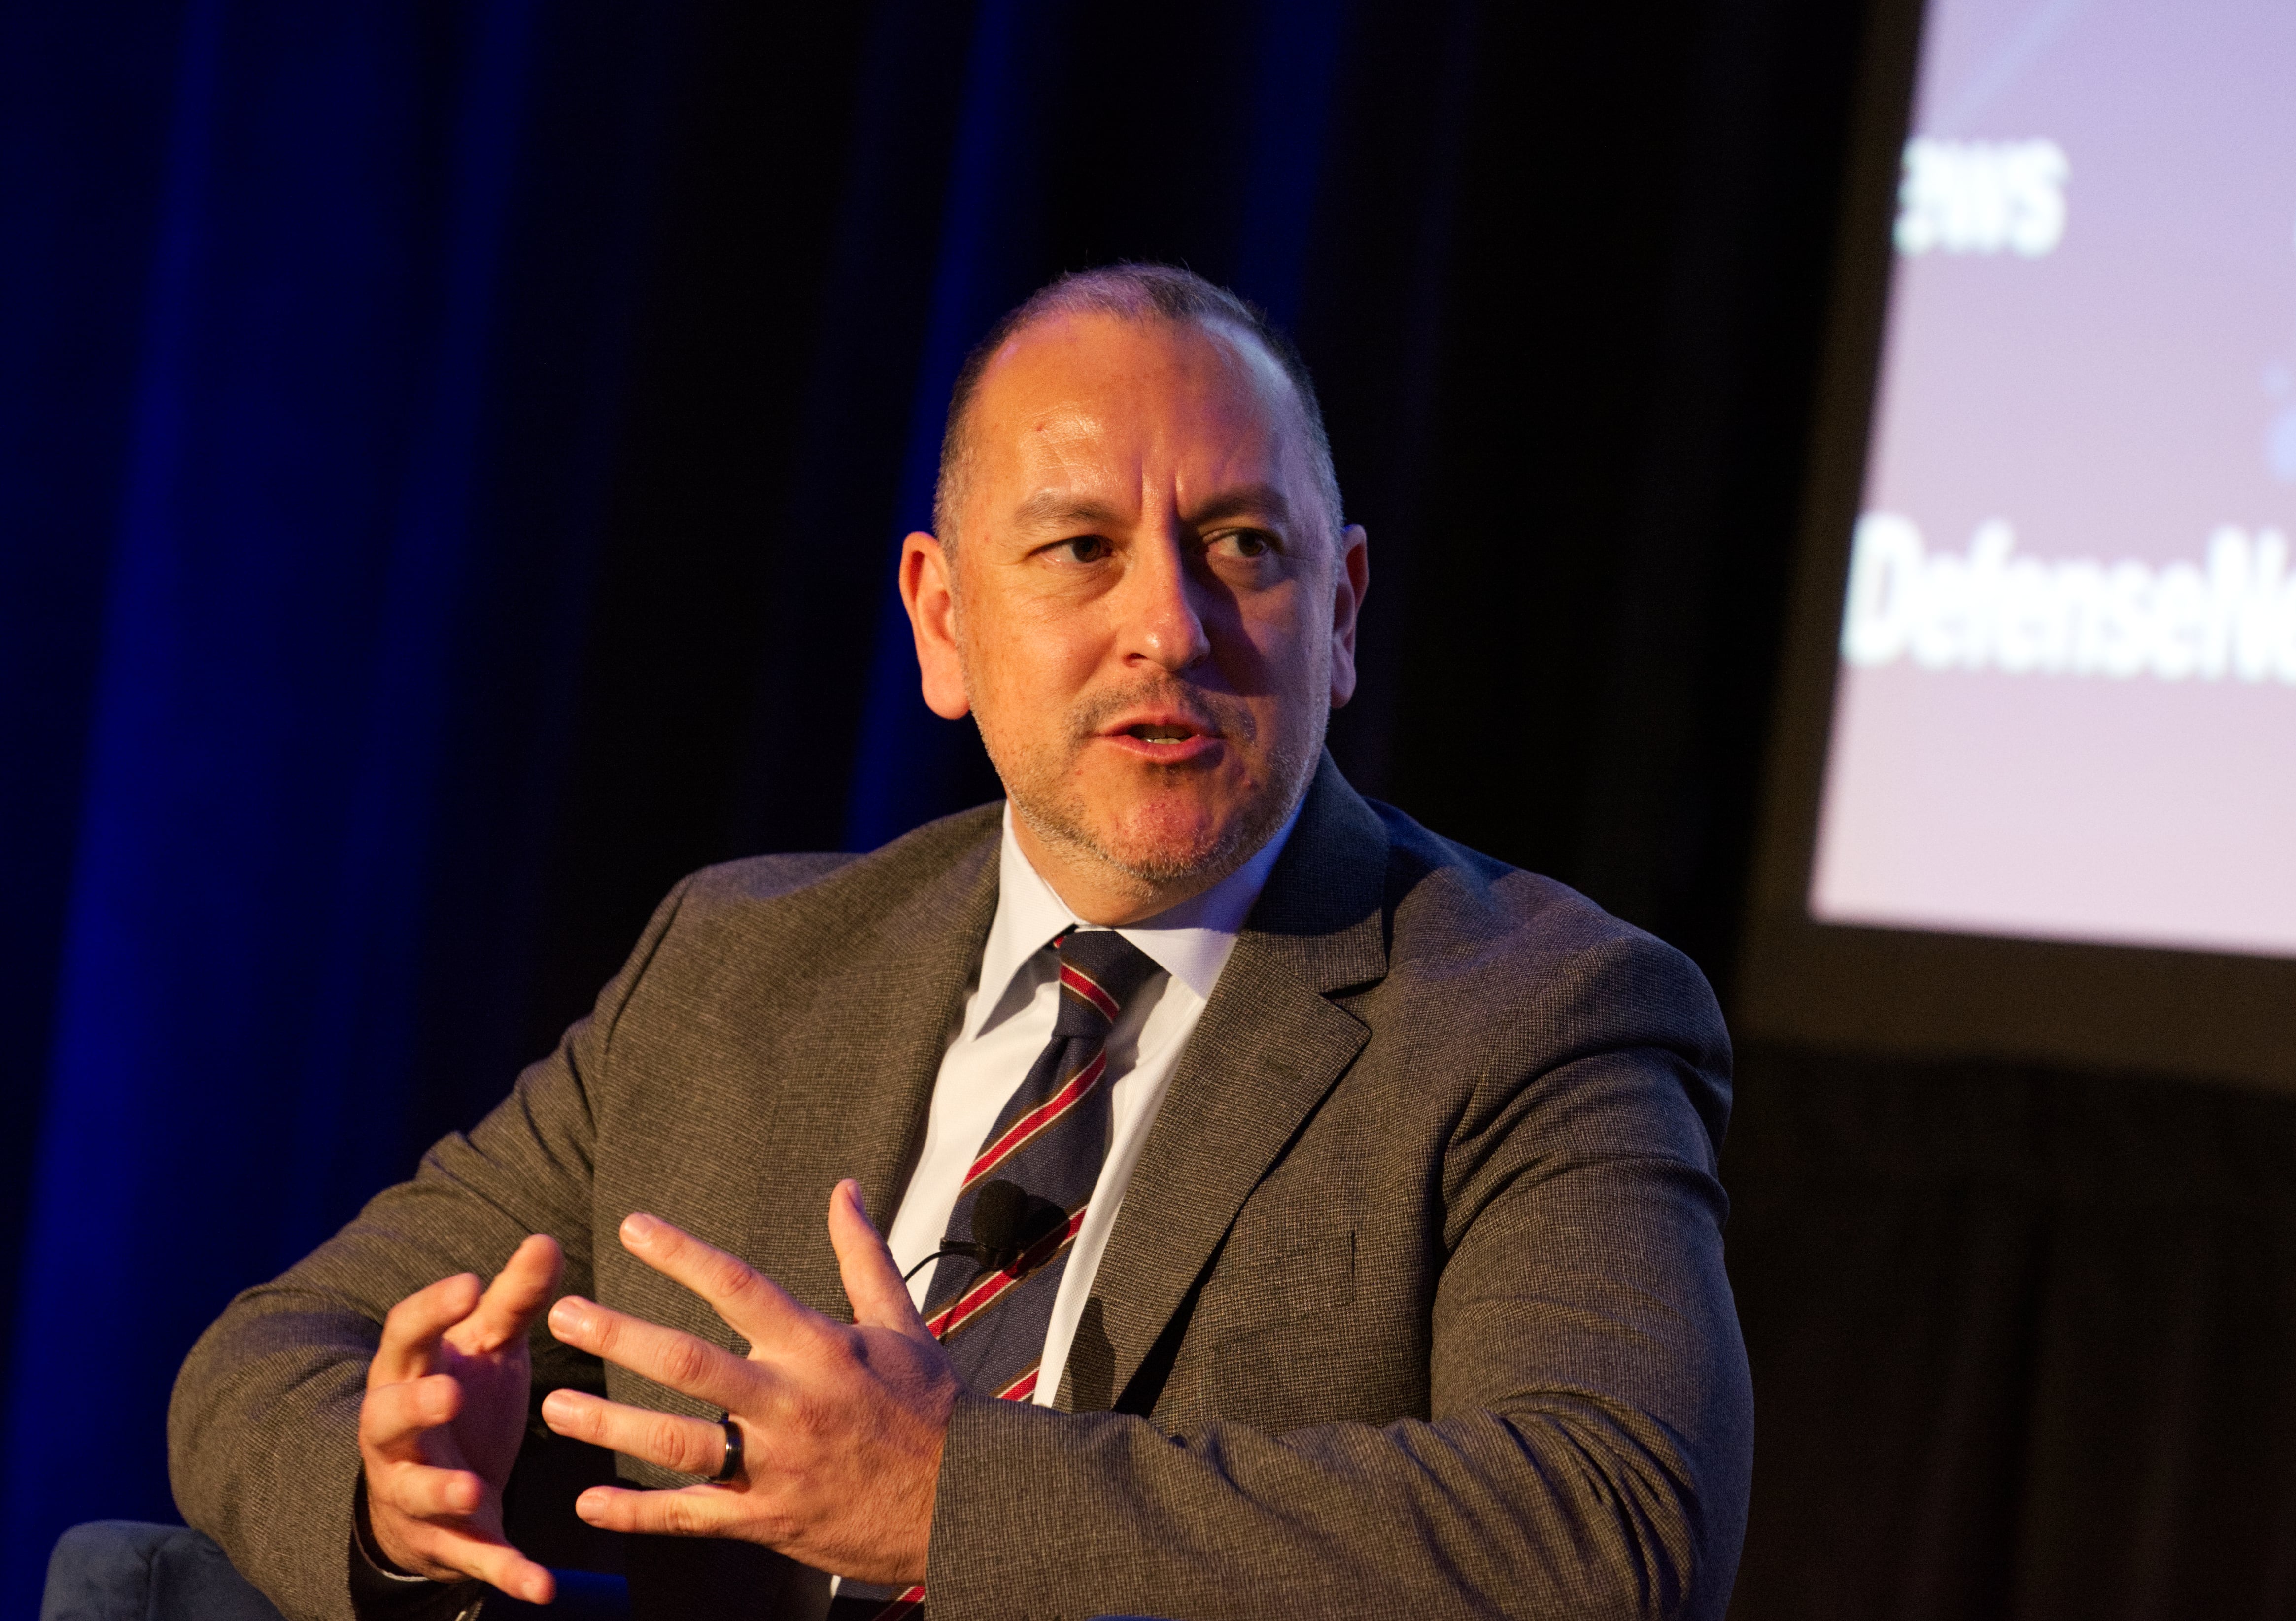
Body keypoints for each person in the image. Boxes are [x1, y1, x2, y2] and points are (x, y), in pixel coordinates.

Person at [168, 264, 1751, 1621]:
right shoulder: (738, 967)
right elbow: (269, 1360)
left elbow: (1610, 1520)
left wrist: (955, 1495)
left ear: (1340, 615)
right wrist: (398, 1492)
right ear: (941, 622)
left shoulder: (1536, 1008)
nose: (1170, 627)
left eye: (1244, 548)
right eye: (1080, 549)